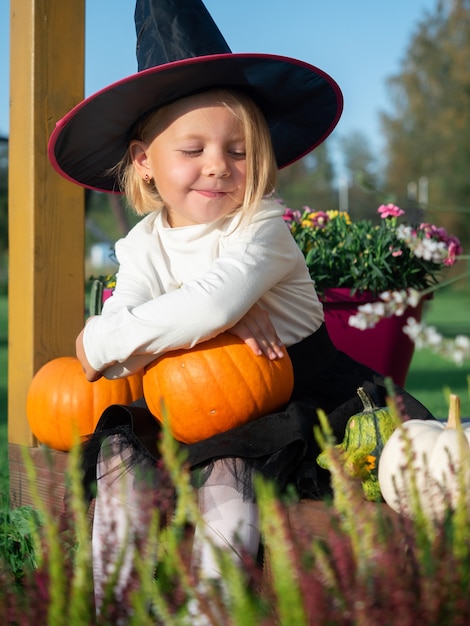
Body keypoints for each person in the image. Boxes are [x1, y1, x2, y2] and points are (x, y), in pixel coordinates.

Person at [48, 0, 433, 617]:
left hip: (302, 402)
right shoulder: (142, 244)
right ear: (145, 161)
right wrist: (182, 325)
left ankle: (215, 609)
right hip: (188, 410)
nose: (218, 168)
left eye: (238, 151)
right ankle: (113, 602)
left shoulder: (263, 226)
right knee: (119, 451)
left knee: (230, 468)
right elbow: (149, 329)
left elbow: (201, 306)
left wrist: (105, 340)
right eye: (192, 149)